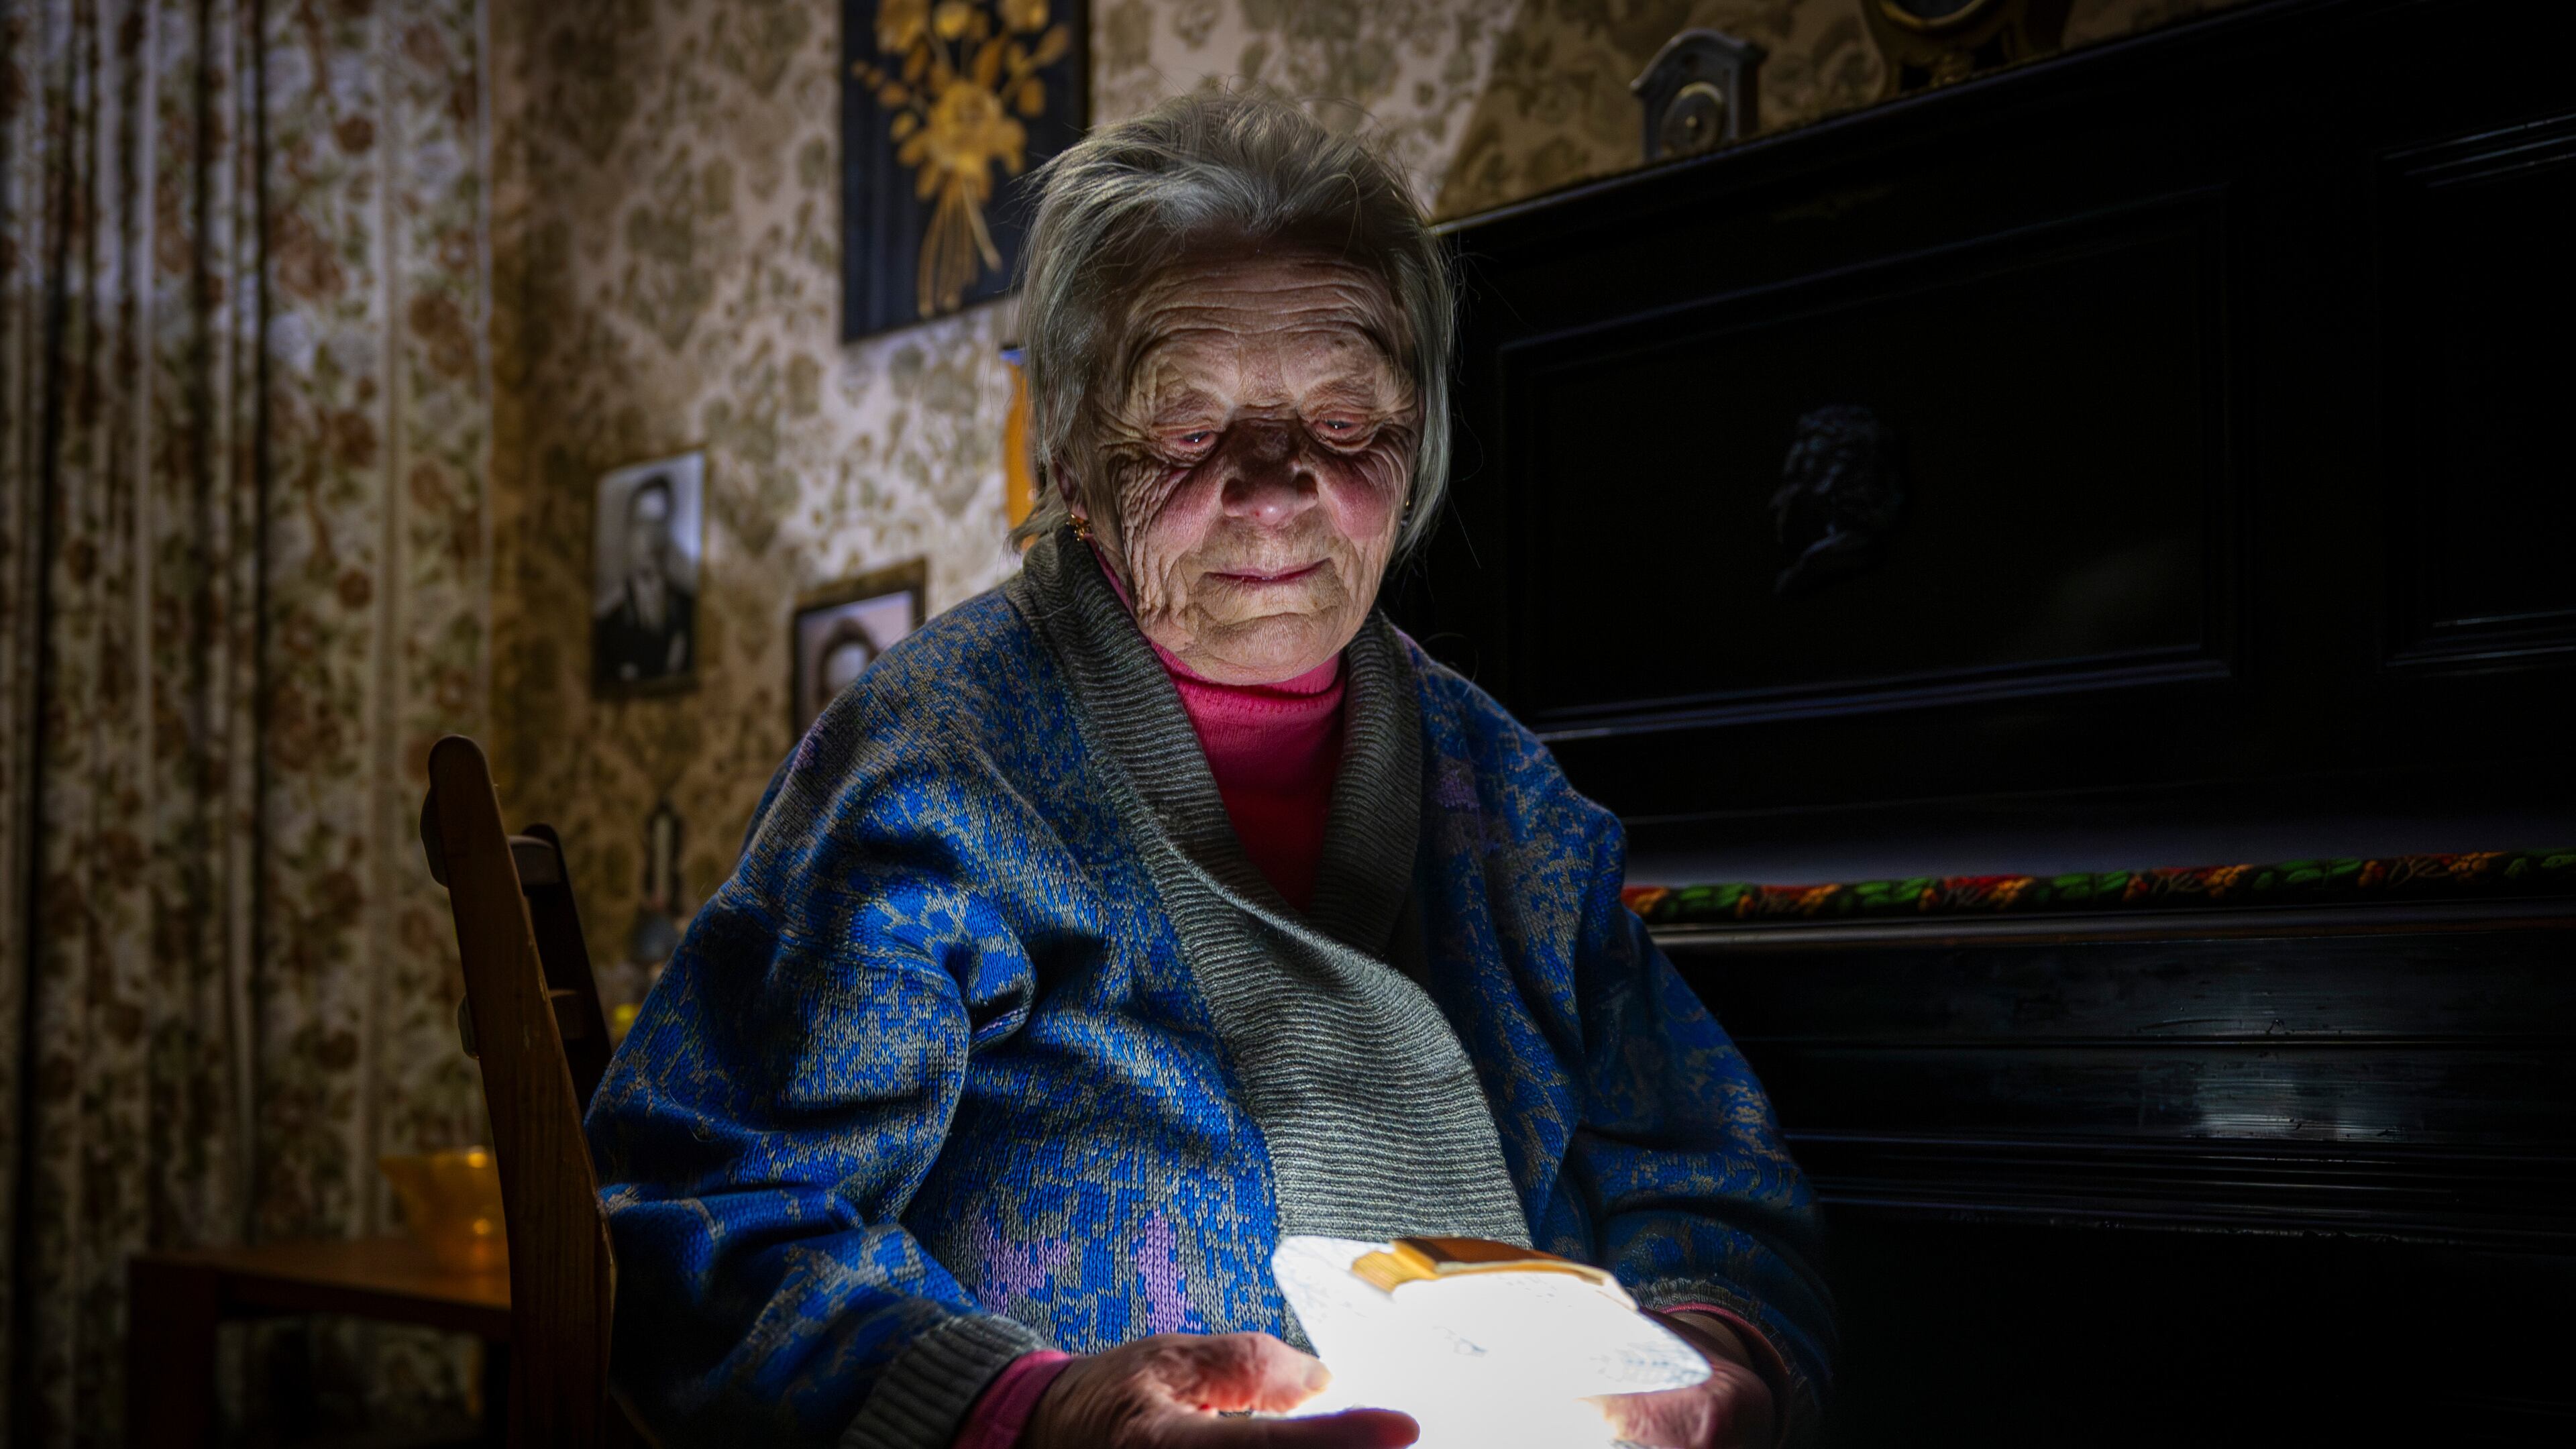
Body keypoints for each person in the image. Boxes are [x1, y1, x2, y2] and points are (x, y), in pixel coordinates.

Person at [586, 93, 1835, 1449]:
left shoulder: (1508, 795)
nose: (1278, 488)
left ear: (1418, 443)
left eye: (1346, 422)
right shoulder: (933, 766)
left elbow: (1704, 1172)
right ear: (1070, 456)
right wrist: (1046, 1414)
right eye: (1186, 432)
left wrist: (1711, 1367)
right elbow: (705, 1218)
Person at [595, 473, 696, 684]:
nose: (651, 536)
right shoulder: (608, 627)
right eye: (643, 524)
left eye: (659, 523)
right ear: (629, 531)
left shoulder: (690, 611)